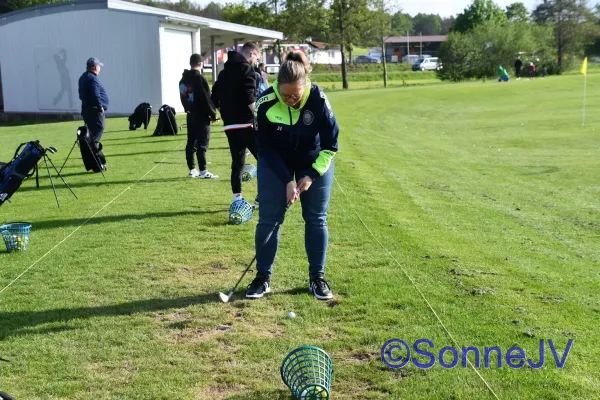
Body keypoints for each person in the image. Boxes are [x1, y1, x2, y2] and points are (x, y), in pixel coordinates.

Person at [245, 50, 339, 301]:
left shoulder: (318, 98)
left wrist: (310, 175)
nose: (289, 100)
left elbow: (331, 145)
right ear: (277, 86)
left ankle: (317, 278)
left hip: (313, 158)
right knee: (269, 219)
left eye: (295, 96)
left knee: (316, 218)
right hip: (276, 161)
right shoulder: (265, 103)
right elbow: (265, 148)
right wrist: (288, 180)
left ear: (304, 85)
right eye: (284, 95)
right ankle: (262, 278)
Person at [211, 41, 261, 204]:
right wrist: (258, 118)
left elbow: (214, 97)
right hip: (246, 123)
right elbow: (249, 97)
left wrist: (225, 114)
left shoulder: (223, 73)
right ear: (252, 54)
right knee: (264, 159)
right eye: (257, 58)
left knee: (237, 163)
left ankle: (237, 198)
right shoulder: (247, 69)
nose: (256, 62)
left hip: (230, 126)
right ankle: (261, 197)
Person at [179, 54, 219, 179]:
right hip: (201, 115)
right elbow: (206, 98)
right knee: (202, 143)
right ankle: (203, 171)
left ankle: (192, 169)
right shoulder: (200, 79)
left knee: (191, 142)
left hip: (190, 114)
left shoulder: (183, 80)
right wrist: (213, 113)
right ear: (201, 63)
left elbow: (183, 98)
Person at [78, 57, 109, 143]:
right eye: (99, 66)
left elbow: (81, 94)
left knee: (91, 132)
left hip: (87, 110)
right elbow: (95, 94)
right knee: (99, 128)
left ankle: (89, 148)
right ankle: (91, 150)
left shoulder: (83, 77)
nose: (100, 68)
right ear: (95, 67)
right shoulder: (92, 79)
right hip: (95, 110)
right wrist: (100, 106)